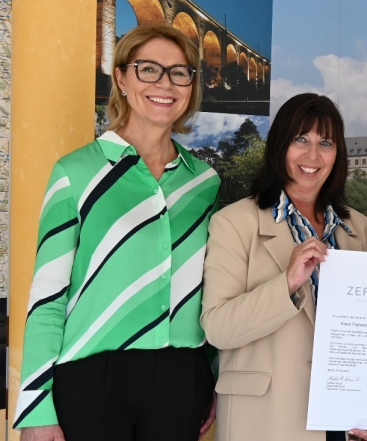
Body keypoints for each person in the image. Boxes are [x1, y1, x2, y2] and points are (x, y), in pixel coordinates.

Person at [14, 25, 220, 441]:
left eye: (180, 73)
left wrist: (212, 377)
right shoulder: (76, 173)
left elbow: (210, 289)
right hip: (93, 379)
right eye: (149, 70)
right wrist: (35, 408)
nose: (165, 84)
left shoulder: (205, 183)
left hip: (181, 378)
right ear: (122, 79)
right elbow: (48, 297)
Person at [200, 93, 367, 441]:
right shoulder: (234, 222)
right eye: (301, 139)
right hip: (266, 420)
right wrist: (285, 283)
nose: (312, 155)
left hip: (341, 424)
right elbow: (218, 328)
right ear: (280, 146)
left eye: (325, 142)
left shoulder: (359, 228)